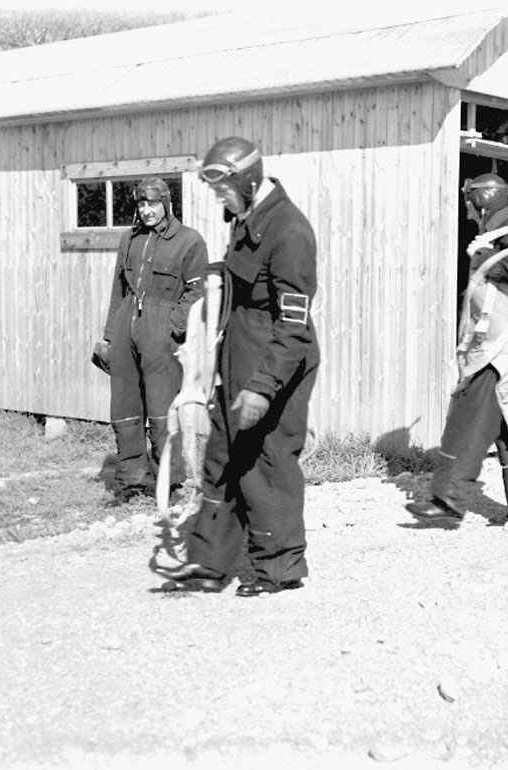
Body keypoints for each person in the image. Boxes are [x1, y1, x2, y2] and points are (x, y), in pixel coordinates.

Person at [155, 137, 320, 595]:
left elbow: (293, 324)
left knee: (267, 462)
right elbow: (248, 282)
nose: (218, 199)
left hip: (276, 362)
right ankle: (209, 563)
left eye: (222, 190)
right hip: (240, 356)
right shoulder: (250, 219)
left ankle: (280, 569)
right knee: (222, 457)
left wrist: (263, 386)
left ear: (246, 181)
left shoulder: (289, 230)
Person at [406, 173, 508, 528]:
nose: (468, 209)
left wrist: (489, 259)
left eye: (469, 201)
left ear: (481, 199)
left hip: (505, 346)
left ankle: (448, 498)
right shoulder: (502, 228)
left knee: (468, 415)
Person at [93, 178, 207, 505]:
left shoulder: (189, 241)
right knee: (125, 407)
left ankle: (168, 483)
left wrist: (173, 326)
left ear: (166, 204)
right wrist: (110, 336)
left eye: (153, 204)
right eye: (141, 204)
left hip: (162, 332)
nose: (146, 210)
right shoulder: (129, 239)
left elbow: (197, 292)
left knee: (161, 410)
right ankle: (132, 482)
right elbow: (119, 291)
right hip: (126, 326)